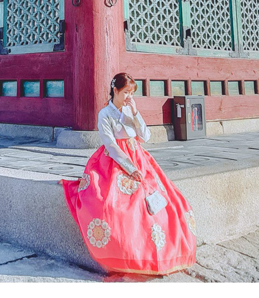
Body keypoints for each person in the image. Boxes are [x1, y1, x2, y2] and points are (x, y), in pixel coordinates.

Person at [61, 72, 196, 275]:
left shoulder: (129, 109)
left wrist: (135, 114)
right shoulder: (105, 114)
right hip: (116, 160)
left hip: (139, 156)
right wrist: (130, 168)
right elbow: (110, 144)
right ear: (115, 90)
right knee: (114, 203)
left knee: (160, 198)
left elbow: (145, 136)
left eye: (131, 93)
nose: (128, 97)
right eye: (126, 92)